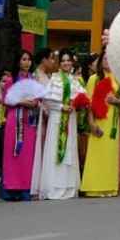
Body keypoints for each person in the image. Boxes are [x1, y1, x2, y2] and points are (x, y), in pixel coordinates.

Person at [35, 50, 82, 200]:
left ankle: (68, 186)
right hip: (57, 117)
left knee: (69, 147)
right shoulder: (54, 79)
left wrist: (75, 106)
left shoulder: (76, 80)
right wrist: (62, 107)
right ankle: (53, 186)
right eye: (63, 61)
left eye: (69, 60)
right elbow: (46, 100)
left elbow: (83, 98)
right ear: (59, 63)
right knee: (55, 149)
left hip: (71, 117)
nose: (66, 63)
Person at [81, 55, 120, 197]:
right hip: (99, 117)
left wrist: (119, 101)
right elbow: (89, 103)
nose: (107, 61)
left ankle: (109, 187)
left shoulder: (117, 78)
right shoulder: (94, 79)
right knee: (97, 152)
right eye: (104, 59)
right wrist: (91, 122)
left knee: (111, 153)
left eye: (110, 59)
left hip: (113, 118)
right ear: (100, 62)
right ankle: (94, 187)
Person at [0, 51, 41, 201]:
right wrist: (21, 102)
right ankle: (11, 188)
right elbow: (6, 100)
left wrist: (34, 102)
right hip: (14, 119)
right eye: (24, 59)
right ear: (18, 62)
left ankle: (25, 188)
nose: (27, 63)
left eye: (29, 60)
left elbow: (38, 97)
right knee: (13, 152)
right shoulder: (12, 80)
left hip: (29, 121)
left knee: (27, 154)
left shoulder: (33, 79)